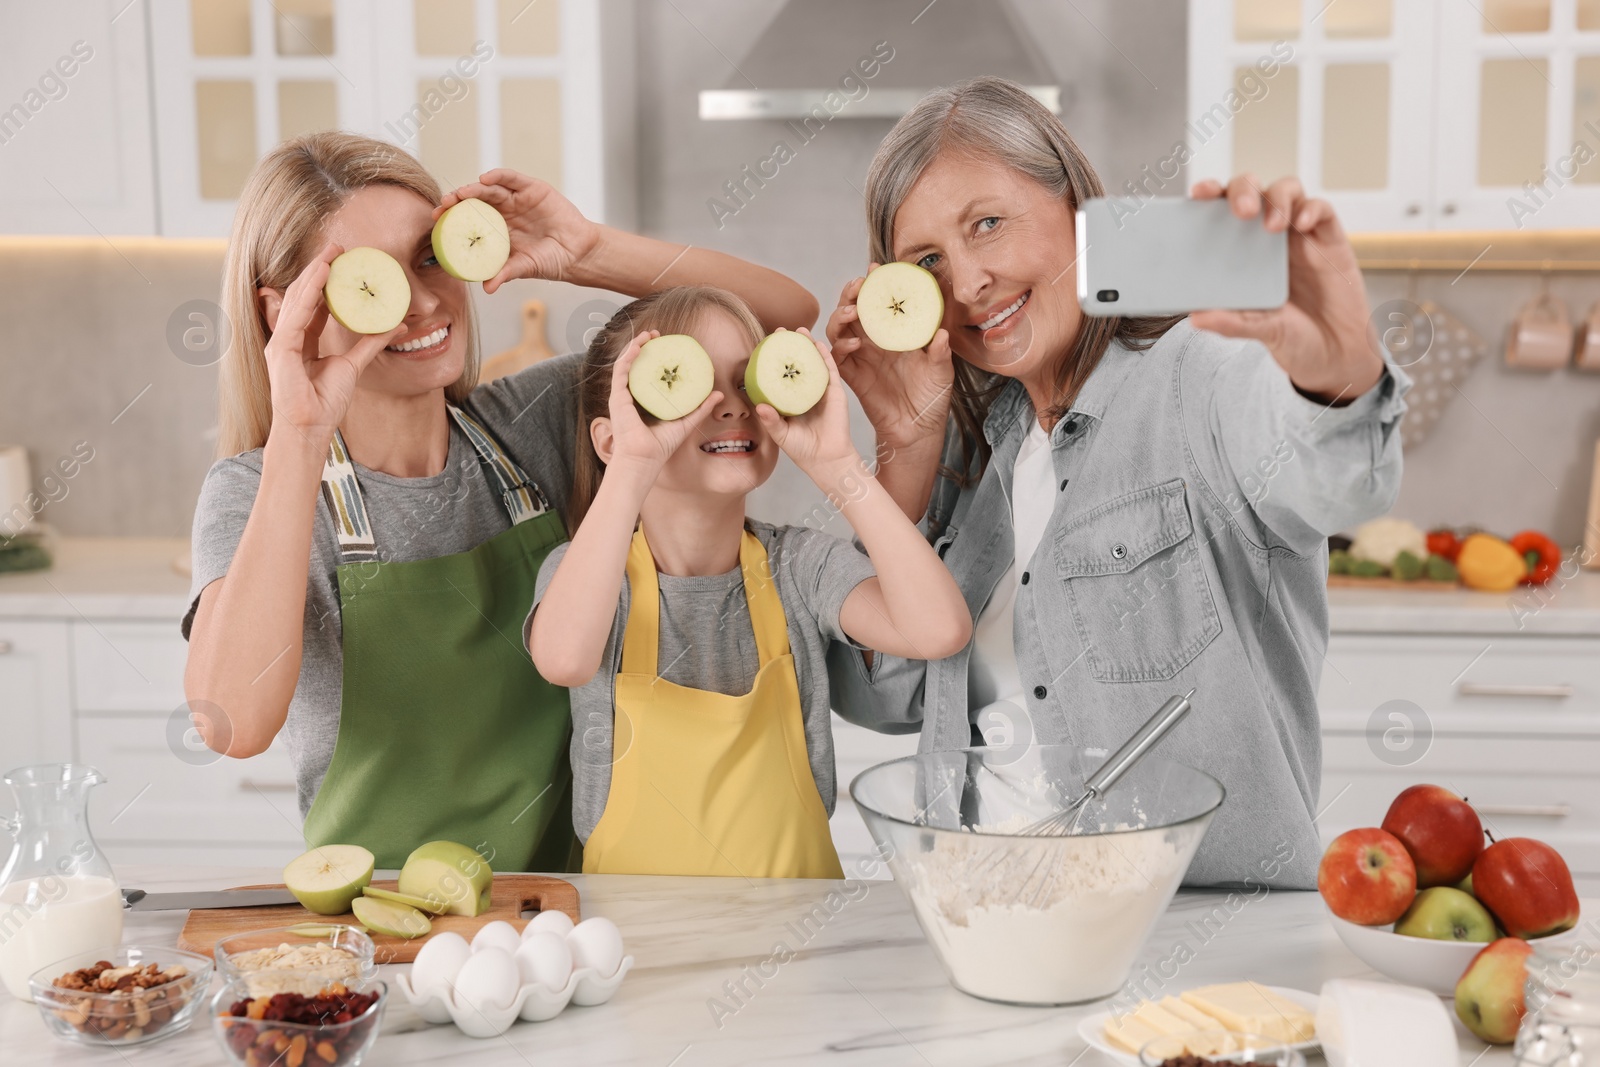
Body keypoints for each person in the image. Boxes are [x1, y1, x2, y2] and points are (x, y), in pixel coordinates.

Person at [824, 77, 1409, 888]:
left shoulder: (1201, 380)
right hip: (983, 923)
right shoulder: (981, 454)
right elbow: (874, 692)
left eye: (987, 225)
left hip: (1197, 950)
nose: (965, 285)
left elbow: (1339, 482)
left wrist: (1337, 374)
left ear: (1075, 205)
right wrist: (906, 445)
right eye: (927, 261)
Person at [183, 131, 818, 871]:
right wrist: (300, 432)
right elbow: (232, 725)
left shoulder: (532, 422)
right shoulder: (252, 491)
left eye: (430, 256)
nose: (421, 302)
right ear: (282, 311)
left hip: (569, 920)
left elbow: (780, 324)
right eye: (369, 280)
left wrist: (586, 251)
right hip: (390, 932)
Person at [526, 287, 971, 877]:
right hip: (641, 947)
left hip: (797, 945)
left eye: (746, 380)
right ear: (611, 438)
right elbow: (564, 659)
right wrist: (632, 465)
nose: (730, 404)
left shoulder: (799, 567)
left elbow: (939, 630)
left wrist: (839, 468)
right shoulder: (585, 574)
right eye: (687, 385)